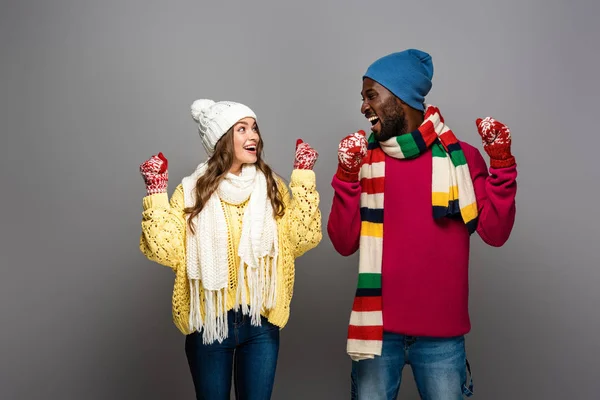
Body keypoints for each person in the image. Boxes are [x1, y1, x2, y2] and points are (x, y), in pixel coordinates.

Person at [327, 49, 517, 399]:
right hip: (376, 334)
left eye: (372, 95)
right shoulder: (364, 160)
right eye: (363, 97)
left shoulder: (462, 158)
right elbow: (342, 242)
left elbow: (495, 231)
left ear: (400, 98)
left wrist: (501, 165)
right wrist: (346, 178)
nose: (363, 107)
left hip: (443, 336)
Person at [138, 99, 322, 400]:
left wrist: (303, 177)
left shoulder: (272, 185)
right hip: (209, 324)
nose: (254, 136)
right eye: (242, 128)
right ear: (222, 139)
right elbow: (166, 251)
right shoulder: (191, 191)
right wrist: (156, 193)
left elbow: (303, 237)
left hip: (260, 324)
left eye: (254, 128)